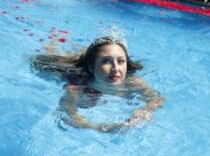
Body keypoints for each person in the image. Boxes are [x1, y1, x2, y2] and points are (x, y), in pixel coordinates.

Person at [31, 36, 164, 132]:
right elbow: (68, 116)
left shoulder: (132, 82)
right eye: (106, 61)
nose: (116, 68)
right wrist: (102, 128)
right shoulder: (77, 89)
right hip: (75, 73)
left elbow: (156, 99)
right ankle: (54, 43)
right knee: (56, 58)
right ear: (90, 67)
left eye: (121, 61)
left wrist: (145, 110)